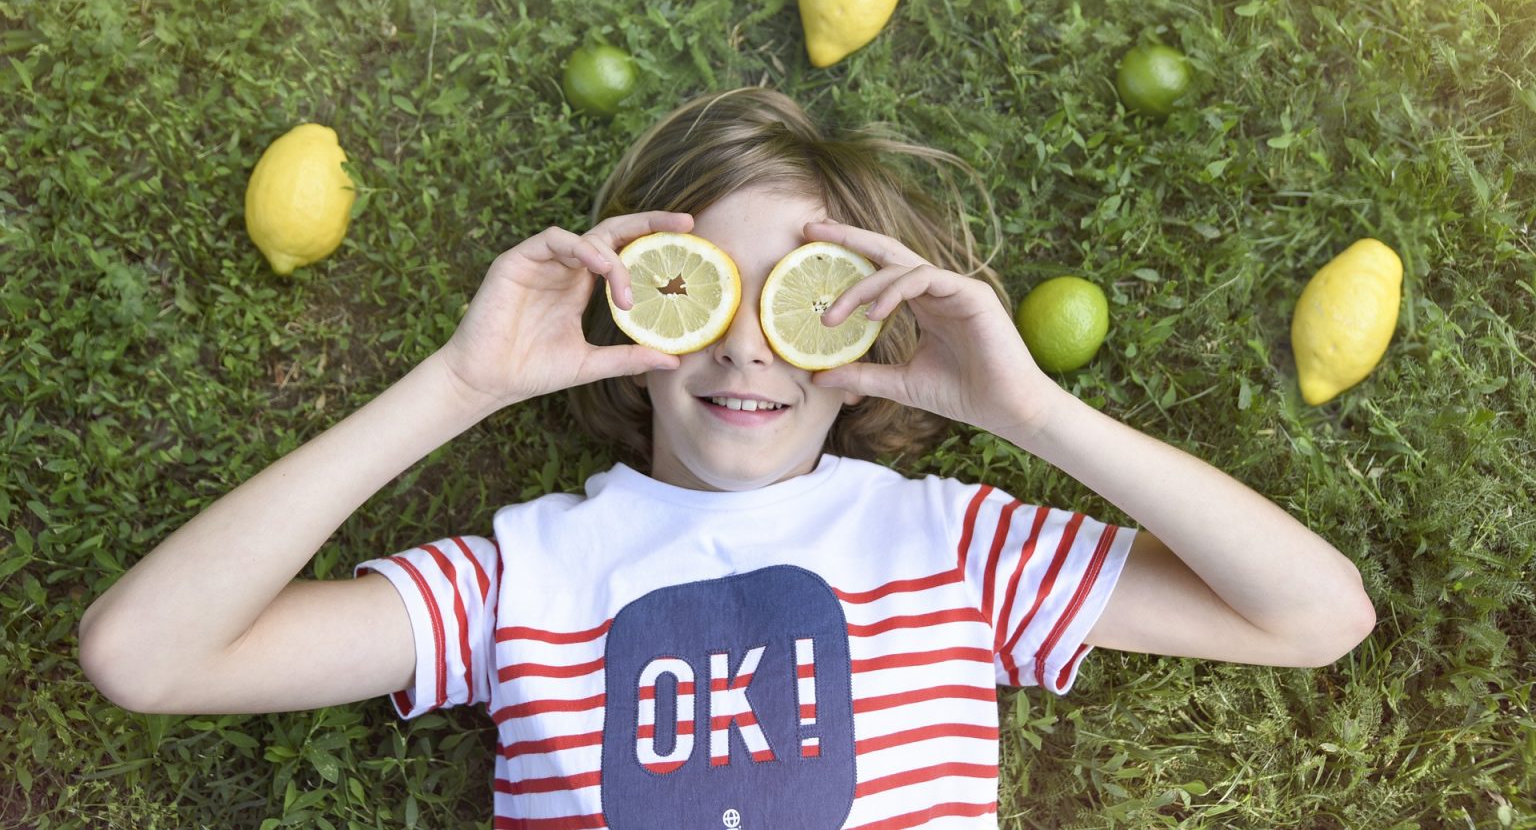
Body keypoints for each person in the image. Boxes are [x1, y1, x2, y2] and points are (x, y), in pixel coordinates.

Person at [79, 88, 1375, 828]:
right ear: (637, 314)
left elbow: (1315, 615)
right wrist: (455, 387)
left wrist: (1032, 418)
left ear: (868, 334)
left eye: (802, 299)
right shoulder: (525, 577)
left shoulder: (950, 544)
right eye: (699, 290)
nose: (749, 345)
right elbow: (145, 656)